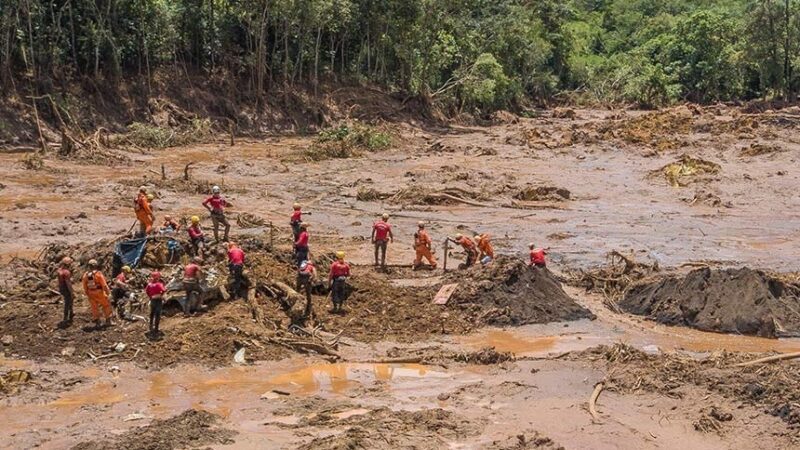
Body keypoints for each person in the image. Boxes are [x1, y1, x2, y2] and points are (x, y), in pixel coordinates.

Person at [82, 259, 113, 328]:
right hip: (99, 293)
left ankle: (97, 323)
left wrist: (88, 294)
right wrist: (109, 293)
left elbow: (84, 286)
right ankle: (108, 321)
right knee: (106, 305)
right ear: (96, 265)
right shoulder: (98, 274)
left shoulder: (85, 275)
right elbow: (104, 285)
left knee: (94, 308)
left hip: (91, 293)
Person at [145, 271, 167, 339]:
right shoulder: (159, 284)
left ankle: (150, 326)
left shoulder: (149, 284)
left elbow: (147, 291)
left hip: (152, 300)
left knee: (152, 313)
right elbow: (164, 290)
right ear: (158, 277)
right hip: (158, 300)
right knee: (157, 315)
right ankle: (156, 329)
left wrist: (150, 297)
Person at [56, 257, 75, 327]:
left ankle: (71, 313)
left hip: (61, 288)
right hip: (66, 289)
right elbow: (68, 284)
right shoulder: (66, 272)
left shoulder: (59, 270)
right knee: (68, 302)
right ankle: (66, 318)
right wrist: (72, 292)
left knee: (69, 301)